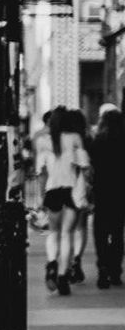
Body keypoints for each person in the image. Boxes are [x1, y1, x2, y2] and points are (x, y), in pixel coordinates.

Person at [39, 107, 89, 295]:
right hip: (71, 191)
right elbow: (84, 165)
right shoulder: (75, 138)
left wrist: (43, 195)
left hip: (52, 190)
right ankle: (62, 276)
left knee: (53, 232)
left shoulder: (45, 141)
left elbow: (40, 170)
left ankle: (52, 263)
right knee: (67, 233)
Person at [91, 104, 125, 289]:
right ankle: (115, 270)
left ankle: (102, 268)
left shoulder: (97, 142)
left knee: (101, 232)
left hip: (101, 192)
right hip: (120, 192)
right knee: (117, 232)